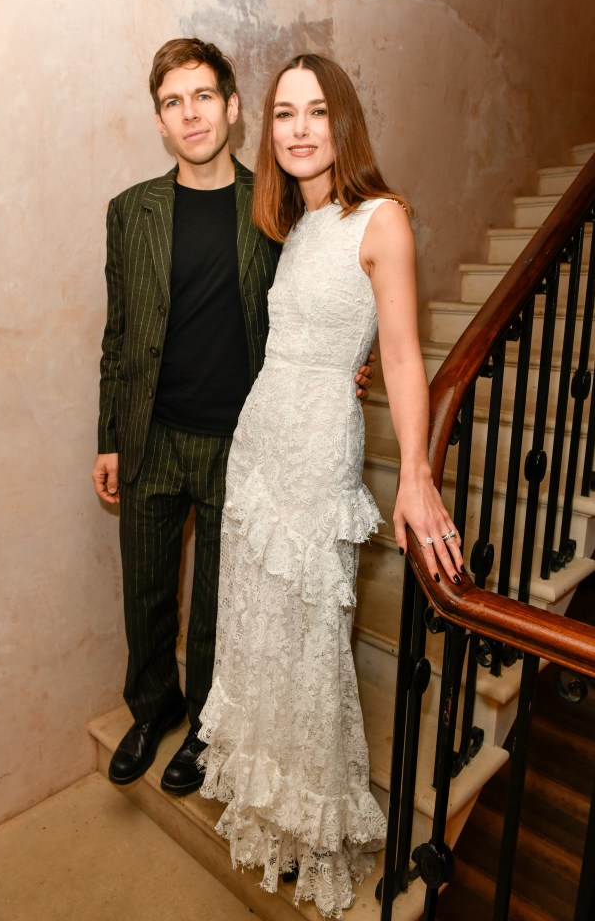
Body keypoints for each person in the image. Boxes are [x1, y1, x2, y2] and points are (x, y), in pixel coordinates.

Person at [197, 54, 464, 918]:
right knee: (257, 632)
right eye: (283, 113)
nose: (299, 128)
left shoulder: (380, 219)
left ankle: (310, 832)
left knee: (309, 647)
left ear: (341, 122)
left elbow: (398, 355)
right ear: (267, 130)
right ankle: (268, 814)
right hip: (259, 443)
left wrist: (415, 471)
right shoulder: (295, 226)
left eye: (316, 111)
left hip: (315, 456)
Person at [91, 39, 374, 796]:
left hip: (241, 444)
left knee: (221, 602)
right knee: (145, 591)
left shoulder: (273, 208)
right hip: (150, 437)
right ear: (159, 118)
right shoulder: (130, 213)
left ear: (233, 107)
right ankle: (153, 710)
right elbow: (118, 336)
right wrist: (110, 440)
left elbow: (318, 299)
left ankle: (210, 729)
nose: (190, 114)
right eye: (173, 102)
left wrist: (349, 360)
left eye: (203, 96)